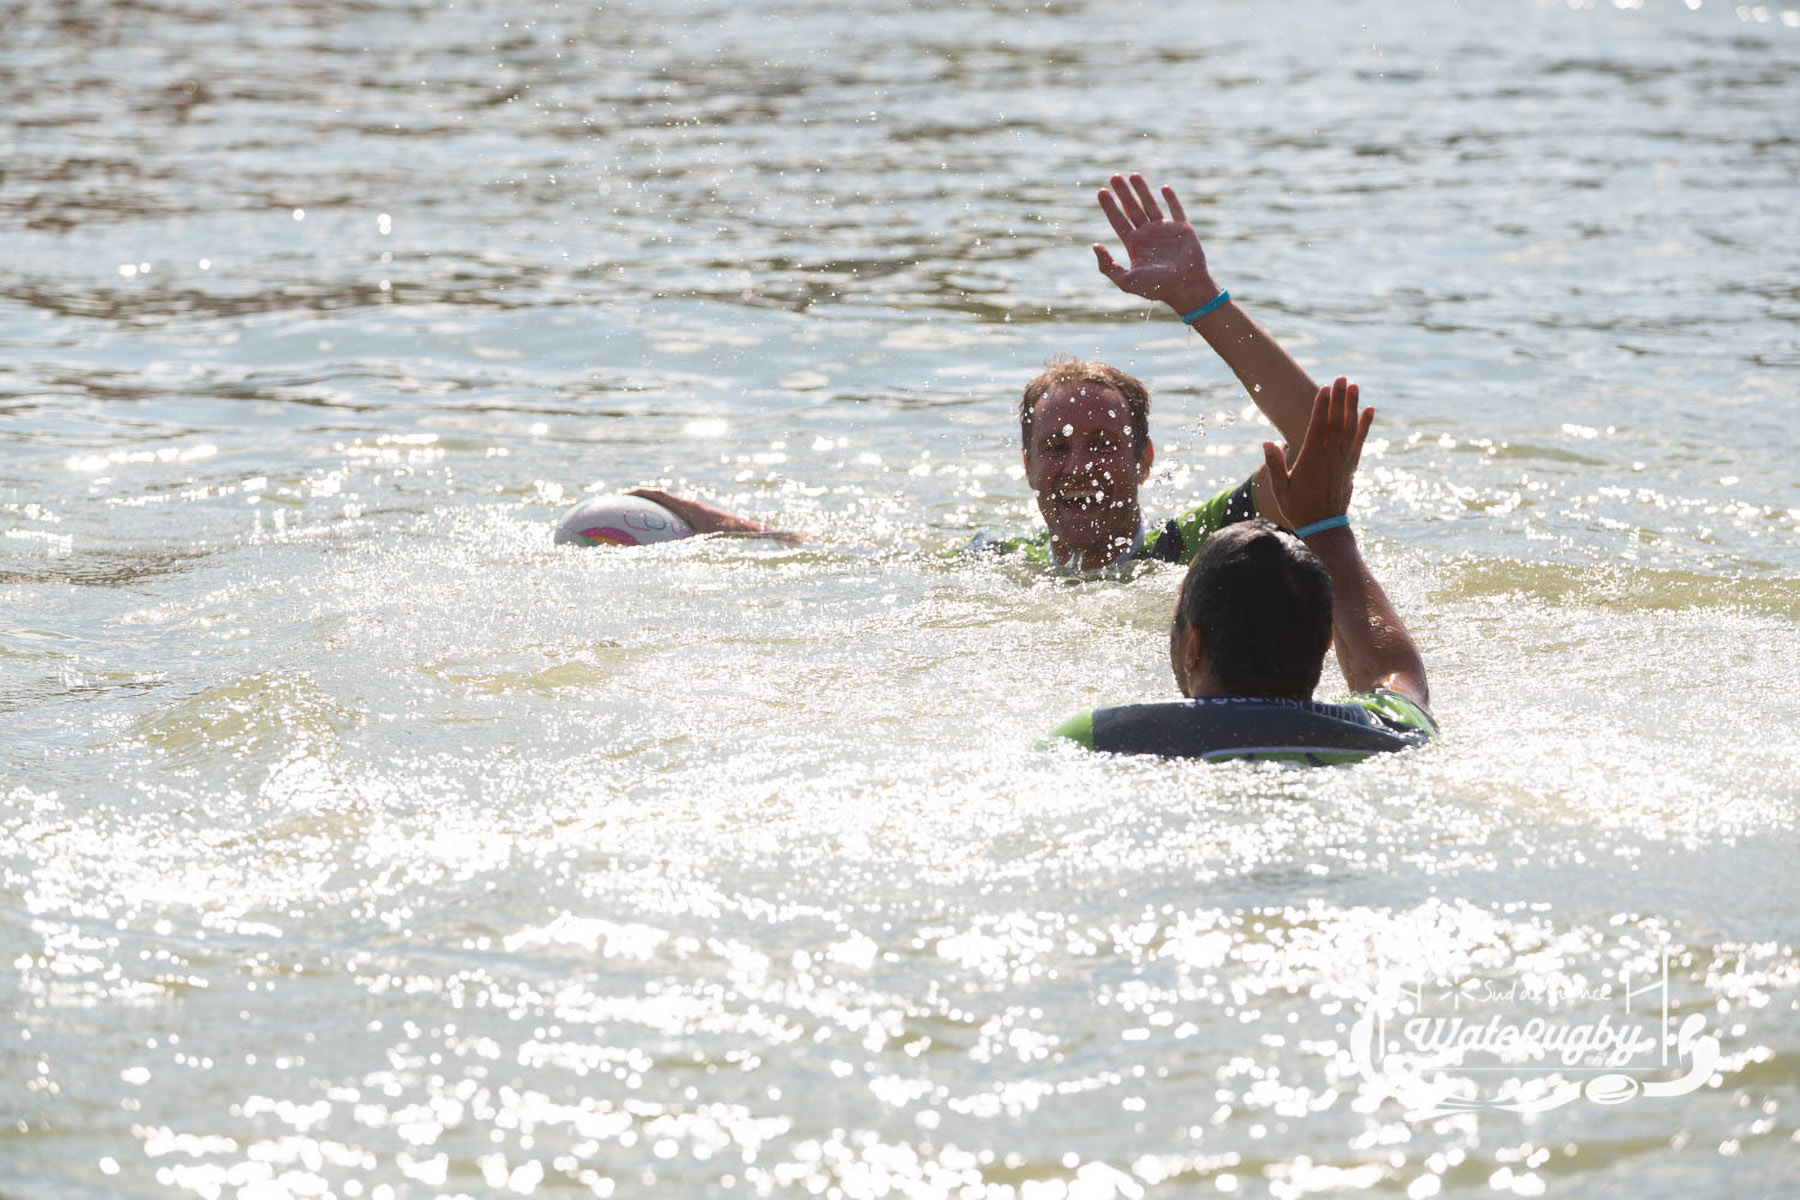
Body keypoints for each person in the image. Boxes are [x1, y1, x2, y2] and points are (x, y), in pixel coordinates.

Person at [584, 173, 1331, 565]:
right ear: (1027, 466)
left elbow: (1320, 441)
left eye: (1104, 445)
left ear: (1145, 461)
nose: (1079, 466)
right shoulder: (1000, 563)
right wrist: (704, 520)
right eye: (1056, 446)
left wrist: (1200, 301)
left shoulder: (1197, 545)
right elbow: (829, 556)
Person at [1049, 377, 1436, 763]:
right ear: (1327, 644)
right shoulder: (1385, 733)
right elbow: (1395, 671)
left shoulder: (1100, 737)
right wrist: (1328, 528)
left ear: (1193, 646)